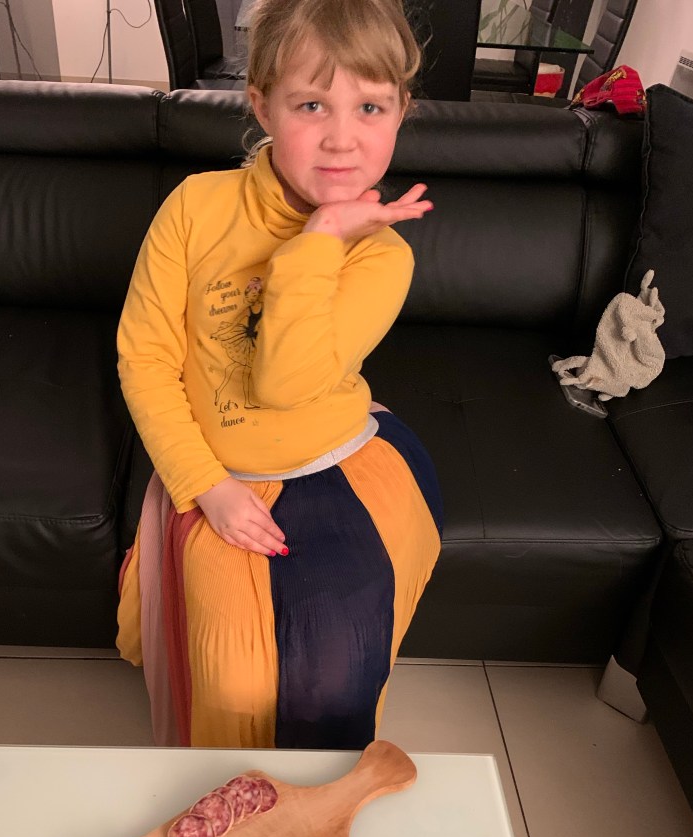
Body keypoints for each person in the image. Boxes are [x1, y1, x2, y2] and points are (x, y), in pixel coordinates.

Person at [116, 0, 444, 749]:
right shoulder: (193, 208)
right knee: (231, 679)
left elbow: (286, 385)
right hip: (215, 473)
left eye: (370, 106)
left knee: (334, 678)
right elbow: (146, 359)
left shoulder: (382, 253)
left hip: (338, 461)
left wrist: (320, 238)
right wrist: (207, 485)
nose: (341, 137)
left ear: (401, 112)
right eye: (311, 105)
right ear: (262, 105)